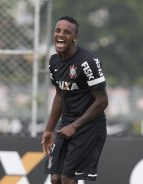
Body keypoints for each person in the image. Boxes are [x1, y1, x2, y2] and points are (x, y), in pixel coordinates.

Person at [41, 16, 108, 184]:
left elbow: (102, 101)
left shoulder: (88, 62)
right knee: (55, 178)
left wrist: (75, 125)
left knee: (67, 179)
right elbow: (59, 95)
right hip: (67, 124)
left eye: (67, 32)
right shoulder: (53, 61)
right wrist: (49, 130)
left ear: (75, 37)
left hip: (89, 126)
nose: (61, 35)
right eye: (58, 30)